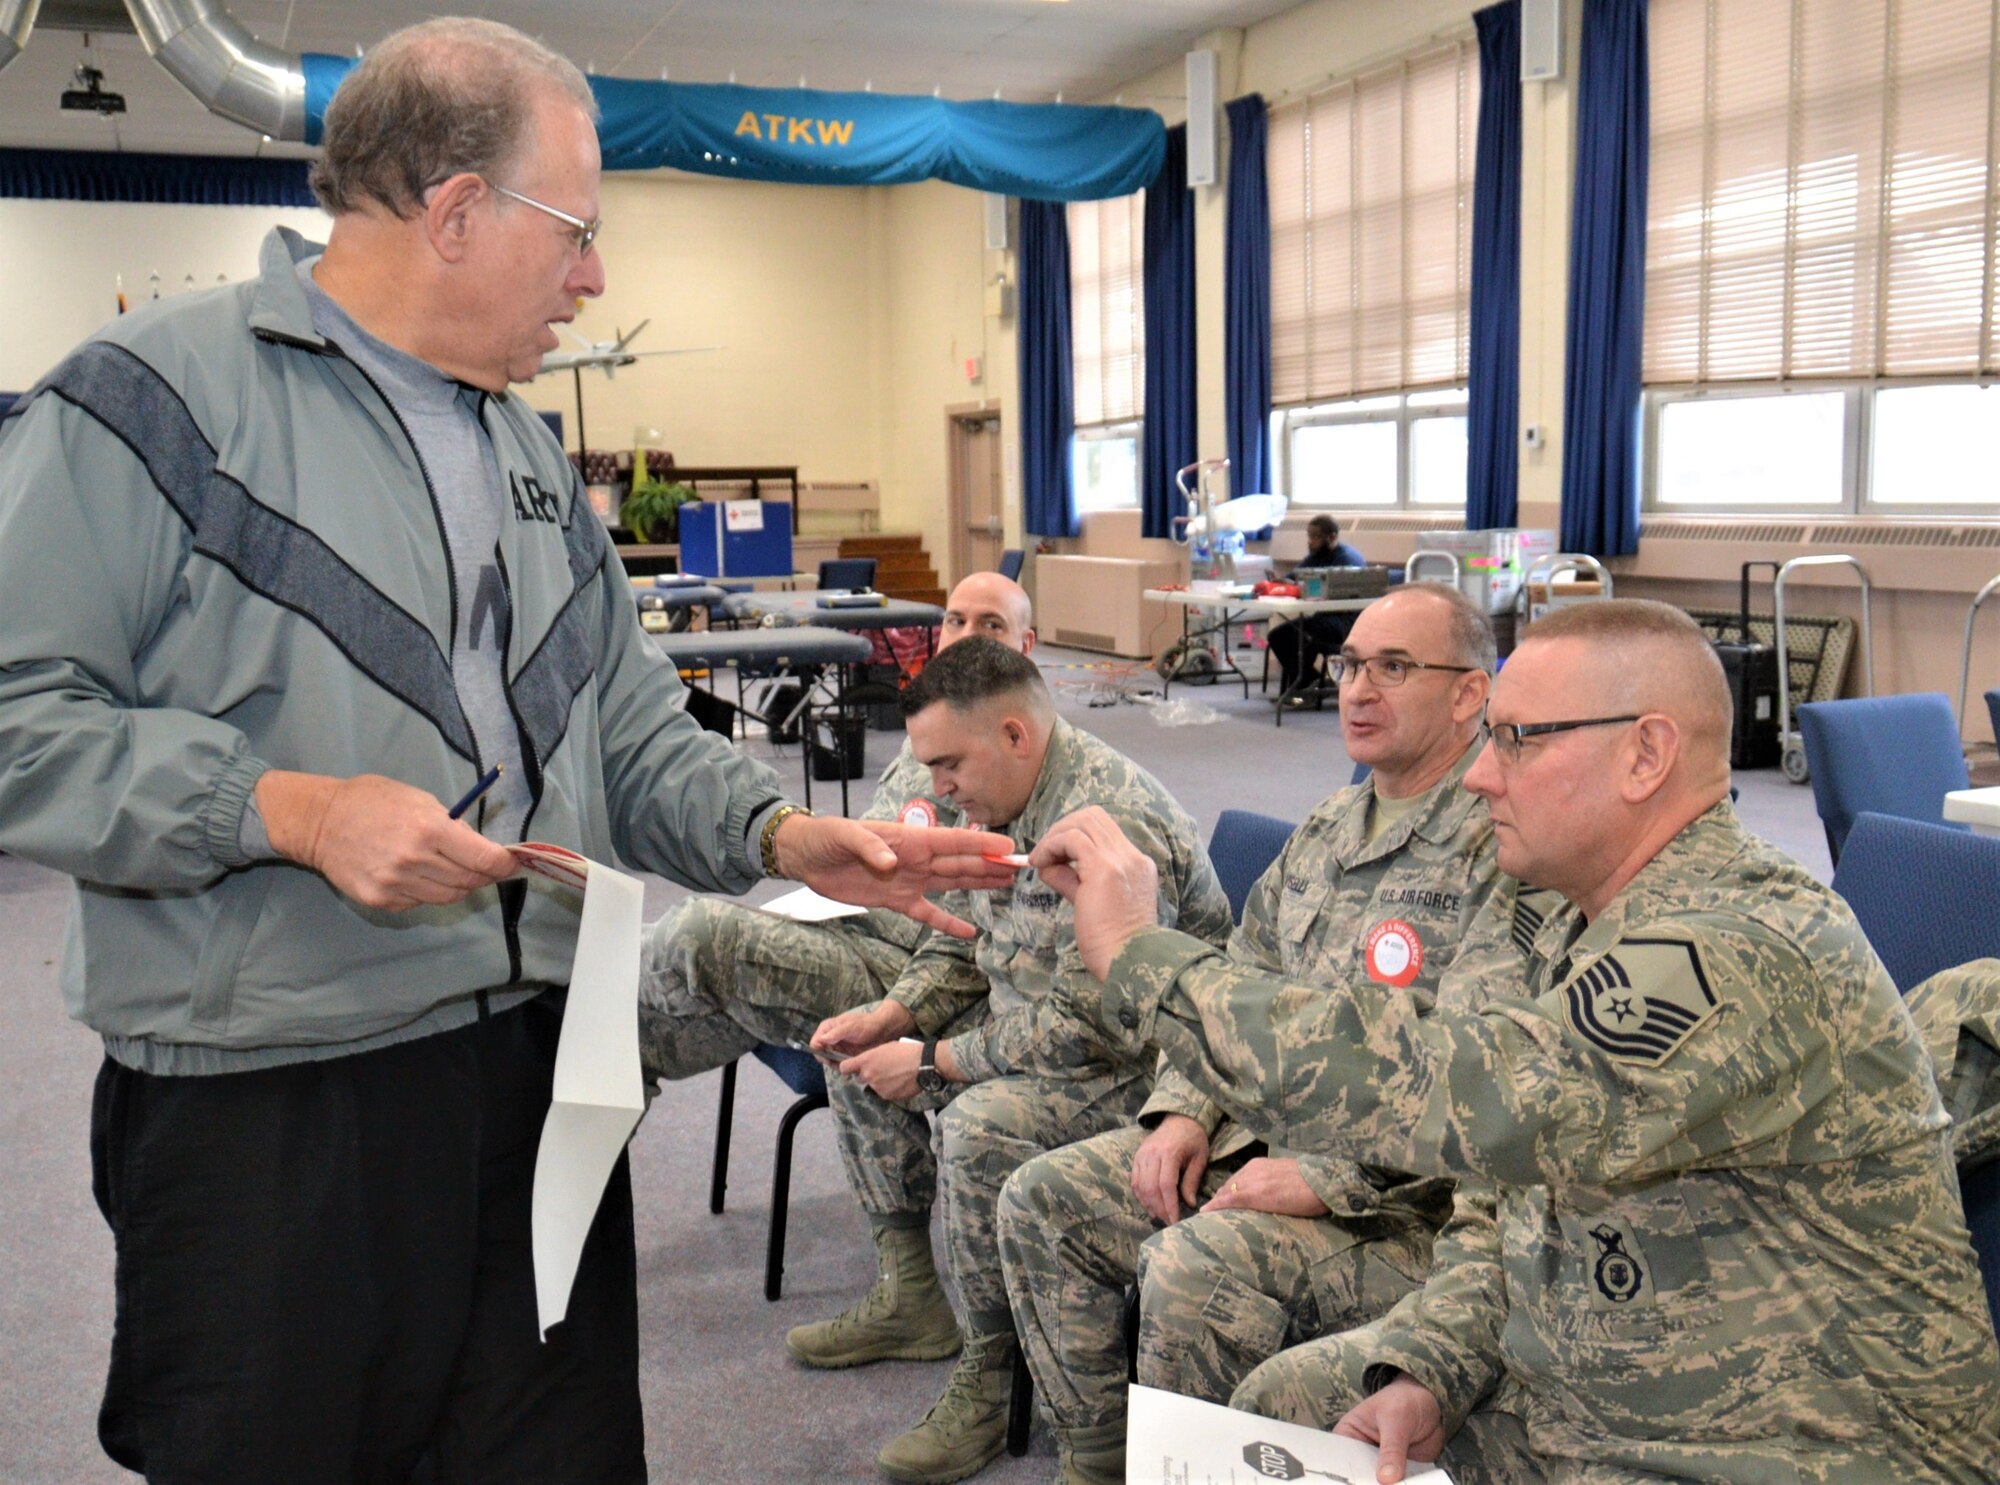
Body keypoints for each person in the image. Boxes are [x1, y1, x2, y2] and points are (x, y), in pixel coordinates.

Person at [0, 20, 1015, 1485]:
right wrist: (278, 807)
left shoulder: (530, 456)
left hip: (539, 1074)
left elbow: (623, 728)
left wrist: (789, 839)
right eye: (579, 232)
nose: (596, 279)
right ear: (458, 212)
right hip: (275, 1105)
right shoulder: (153, 404)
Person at [1033, 600, 2000, 1483]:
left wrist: (1140, 953)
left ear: (1645, 754)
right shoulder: (1587, 921)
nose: (1483, 773)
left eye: (1517, 740)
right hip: (1598, 1393)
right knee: (1279, 1423)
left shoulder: (1738, 947)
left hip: (1793, 1448)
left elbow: (1456, 1090)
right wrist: (1433, 1370)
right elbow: (1509, 1211)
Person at [995, 582, 1510, 1484]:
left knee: (1195, 1265)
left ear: (1470, 693)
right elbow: (1237, 967)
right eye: (1350, 665)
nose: (1357, 688)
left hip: (1404, 1205)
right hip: (1251, 1141)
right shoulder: (1329, 825)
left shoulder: (1497, 849)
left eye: (1393, 667)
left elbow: (1483, 1086)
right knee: (1043, 1197)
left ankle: (1188, 1468)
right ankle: (1100, 1456)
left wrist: (1326, 1177)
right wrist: (1185, 1111)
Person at [800, 637, 1233, 1485]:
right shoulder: (995, 804)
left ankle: (991, 1372)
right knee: (853, 1052)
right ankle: (913, 1294)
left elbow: (1096, 1020)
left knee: (974, 1125)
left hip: (1148, 1072)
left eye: (948, 763)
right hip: (1042, 1041)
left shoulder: (1111, 819)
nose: (936, 789)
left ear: (1014, 733)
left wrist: (932, 1059)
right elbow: (963, 942)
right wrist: (893, 1014)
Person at [634, 576, 1038, 1339]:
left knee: (697, 937)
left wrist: (894, 1009)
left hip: (925, 980)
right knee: (682, 1007)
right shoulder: (932, 729)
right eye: (955, 619)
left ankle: (581, 1044)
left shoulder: (1022, 754)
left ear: (1027, 647)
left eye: (991, 623)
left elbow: (980, 941)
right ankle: (594, 1072)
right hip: (854, 931)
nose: (965, 634)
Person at [1267, 514, 1367, 699]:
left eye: (1315, 537)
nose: (1310, 542)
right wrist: (1283, 581)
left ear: (1332, 537)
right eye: (1309, 536)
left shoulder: (1346, 559)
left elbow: (1339, 596)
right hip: (1325, 618)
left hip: (1346, 621)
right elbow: (1295, 576)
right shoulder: (1316, 556)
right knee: (1278, 635)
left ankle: (1305, 686)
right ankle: (1309, 682)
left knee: (1300, 635)